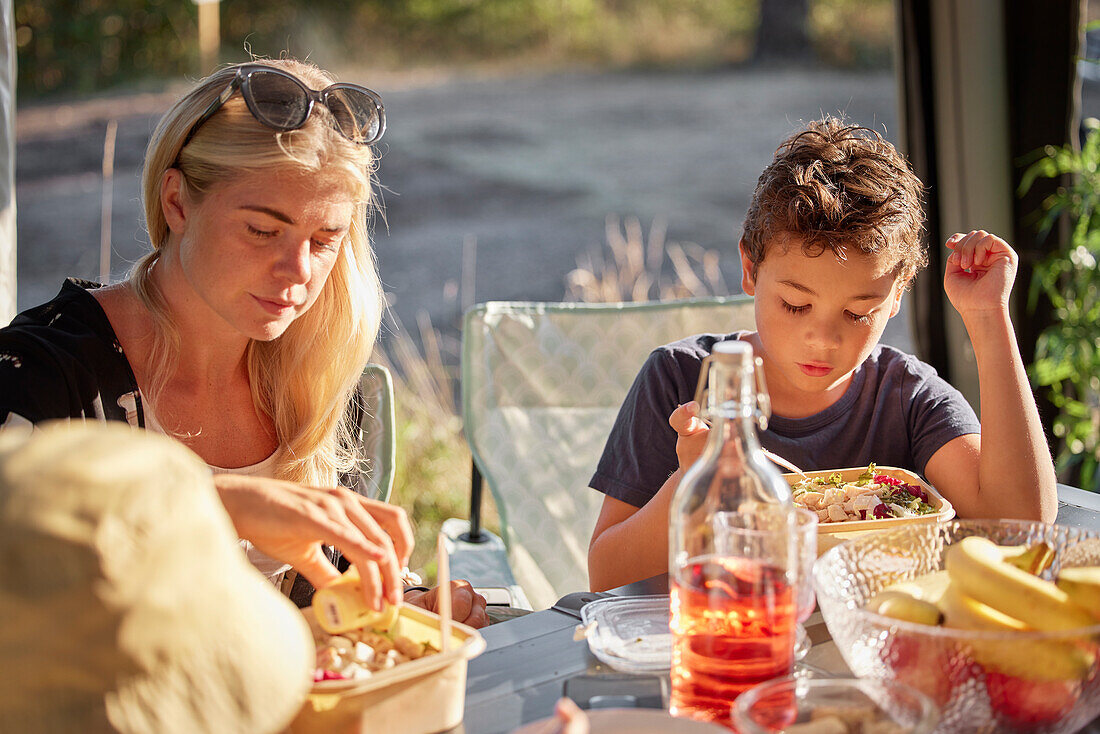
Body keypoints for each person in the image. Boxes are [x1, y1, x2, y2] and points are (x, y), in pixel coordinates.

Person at [0, 59, 487, 627]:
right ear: (176, 202)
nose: (297, 271)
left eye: (326, 238)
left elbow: (318, 611)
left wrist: (392, 610)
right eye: (262, 230)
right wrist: (226, 508)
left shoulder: (318, 377)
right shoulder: (42, 371)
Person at [587, 117, 1057, 591]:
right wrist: (692, 482)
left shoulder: (907, 398)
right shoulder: (681, 381)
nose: (823, 339)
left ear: (896, 296)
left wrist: (987, 317)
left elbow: (1018, 524)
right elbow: (606, 576)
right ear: (750, 268)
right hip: (734, 642)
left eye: (858, 313)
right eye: (795, 304)